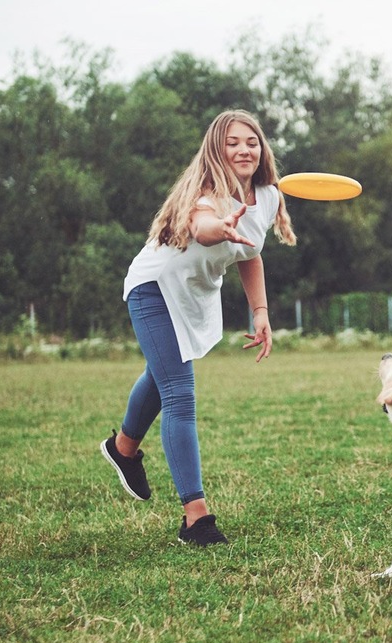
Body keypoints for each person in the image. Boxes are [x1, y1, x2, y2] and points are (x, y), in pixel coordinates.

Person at [99, 110, 296, 546]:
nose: (244, 149)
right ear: (215, 149)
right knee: (178, 391)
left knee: (161, 372)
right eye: (232, 142)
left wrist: (260, 312)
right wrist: (217, 228)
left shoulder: (265, 196)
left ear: (262, 148)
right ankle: (196, 519)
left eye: (252, 141)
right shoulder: (208, 192)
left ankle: (123, 449)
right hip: (154, 288)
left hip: (193, 294)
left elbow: (251, 255)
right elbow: (202, 224)